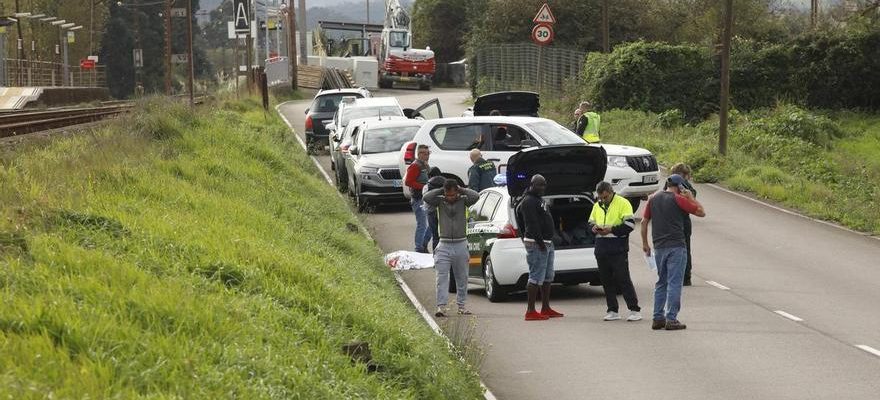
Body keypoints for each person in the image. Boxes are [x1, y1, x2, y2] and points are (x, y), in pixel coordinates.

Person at [641, 174, 706, 331]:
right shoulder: (678, 199)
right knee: (674, 283)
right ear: (680, 187)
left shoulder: (653, 199)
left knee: (661, 282)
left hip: (659, 246)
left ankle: (657, 318)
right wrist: (691, 198)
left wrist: (645, 244)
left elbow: (644, 222)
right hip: (676, 246)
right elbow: (701, 212)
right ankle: (671, 318)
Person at [424, 179, 480, 317]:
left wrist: (461, 190)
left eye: (452, 194)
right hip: (444, 244)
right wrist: (441, 190)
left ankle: (461, 306)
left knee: (462, 277)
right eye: (447, 195)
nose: (450, 198)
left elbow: (476, 196)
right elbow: (426, 197)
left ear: (457, 192)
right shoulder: (440, 201)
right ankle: (441, 307)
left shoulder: (463, 201)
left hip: (461, 244)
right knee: (441, 277)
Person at [589, 181, 642, 322]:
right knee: (606, 280)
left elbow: (630, 225)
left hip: (618, 247)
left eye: (605, 197)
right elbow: (590, 222)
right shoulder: (597, 205)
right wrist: (594, 228)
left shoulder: (623, 203)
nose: (602, 200)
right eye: (600, 198)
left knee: (623, 279)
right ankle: (612, 309)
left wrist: (611, 229)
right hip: (601, 247)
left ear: (611, 192)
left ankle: (634, 309)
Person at [516, 174, 564, 321]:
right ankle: (530, 311)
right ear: (532, 185)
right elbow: (531, 224)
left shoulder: (539, 199)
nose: (542, 188)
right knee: (536, 276)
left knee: (548, 276)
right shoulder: (528, 201)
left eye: (544, 185)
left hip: (547, 243)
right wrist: (540, 242)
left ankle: (545, 307)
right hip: (537, 243)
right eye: (539, 185)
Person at [668, 163, 697, 286]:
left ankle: (684, 276)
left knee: (678, 249)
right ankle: (685, 276)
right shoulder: (684, 185)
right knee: (684, 249)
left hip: (678, 221)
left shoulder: (680, 186)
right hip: (682, 221)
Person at [405, 144, 433, 253]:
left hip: (425, 198)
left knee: (431, 224)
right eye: (424, 153)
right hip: (418, 199)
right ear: (419, 154)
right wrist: (424, 187)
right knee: (422, 224)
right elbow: (408, 182)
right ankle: (419, 248)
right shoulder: (415, 166)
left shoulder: (425, 165)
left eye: (428, 153)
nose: (427, 156)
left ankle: (423, 244)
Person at [422, 167, 445, 251]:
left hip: (431, 212)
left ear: (430, 175)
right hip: (444, 212)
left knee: (435, 236)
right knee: (444, 236)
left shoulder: (427, 186)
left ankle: (436, 256)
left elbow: (425, 199)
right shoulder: (446, 184)